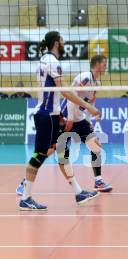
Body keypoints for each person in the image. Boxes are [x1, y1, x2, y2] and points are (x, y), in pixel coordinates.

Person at [18, 31, 101, 211]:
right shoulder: (53, 62)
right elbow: (65, 92)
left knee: (61, 151)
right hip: (46, 115)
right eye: (62, 41)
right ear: (56, 43)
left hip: (52, 114)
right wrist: (90, 108)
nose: (63, 44)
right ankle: (25, 195)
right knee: (40, 155)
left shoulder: (43, 61)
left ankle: (78, 192)